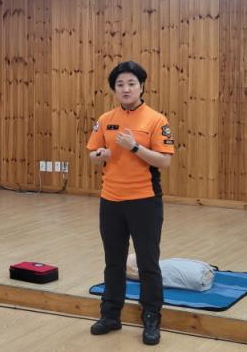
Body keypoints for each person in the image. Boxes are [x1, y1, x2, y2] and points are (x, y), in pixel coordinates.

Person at [86, 61, 175, 346]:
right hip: (111, 200)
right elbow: (92, 154)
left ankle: (151, 318)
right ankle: (110, 315)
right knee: (113, 261)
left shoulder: (156, 120)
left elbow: (165, 161)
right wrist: (100, 154)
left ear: (141, 87)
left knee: (148, 263)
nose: (126, 89)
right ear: (114, 89)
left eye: (131, 84)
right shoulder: (106, 119)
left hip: (144, 201)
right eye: (120, 85)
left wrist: (135, 147)